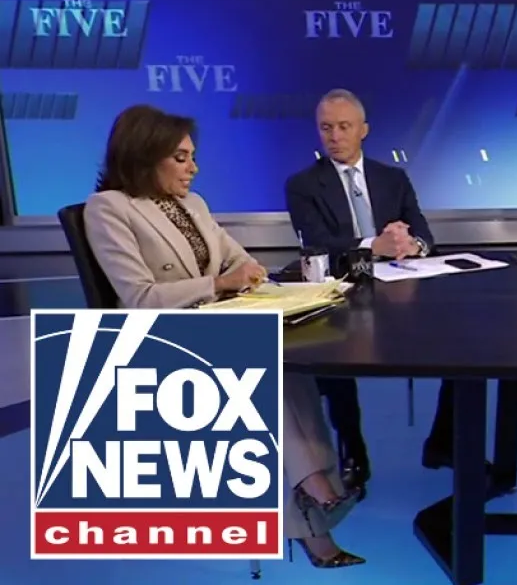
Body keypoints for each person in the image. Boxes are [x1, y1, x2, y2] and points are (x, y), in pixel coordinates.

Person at [84, 105, 364, 568]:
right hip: (159, 339)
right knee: (263, 367)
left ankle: (316, 504)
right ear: (144, 156)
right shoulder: (109, 208)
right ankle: (318, 502)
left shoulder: (193, 204)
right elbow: (139, 297)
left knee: (288, 361)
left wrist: (247, 274)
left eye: (193, 157)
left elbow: (239, 260)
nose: (193, 168)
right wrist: (217, 283)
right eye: (181, 158)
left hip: (215, 327)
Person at [284, 89, 466, 490]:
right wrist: (373, 246)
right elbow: (318, 244)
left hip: (400, 293)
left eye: (343, 127)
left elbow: (425, 236)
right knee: (332, 347)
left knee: (461, 342)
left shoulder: (392, 179)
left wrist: (410, 244)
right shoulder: (303, 185)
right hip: (341, 294)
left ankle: (443, 442)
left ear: (363, 130)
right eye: (326, 128)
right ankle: (353, 449)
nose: (334, 136)